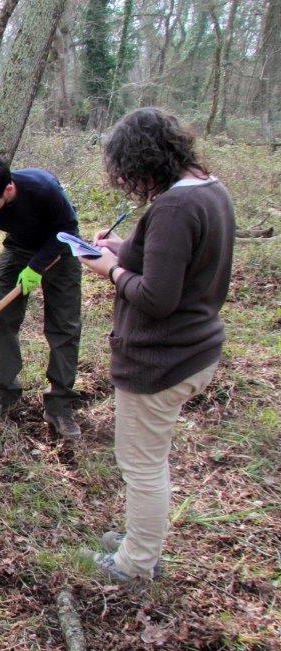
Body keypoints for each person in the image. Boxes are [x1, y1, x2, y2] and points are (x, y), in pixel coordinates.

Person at [79, 107, 235, 582]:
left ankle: (136, 563)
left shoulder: (173, 207)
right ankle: (139, 539)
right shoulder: (210, 191)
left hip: (162, 358)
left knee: (141, 466)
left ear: (143, 160)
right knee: (150, 459)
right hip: (195, 348)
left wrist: (109, 269)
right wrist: (125, 246)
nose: (127, 181)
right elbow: (174, 263)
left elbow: (157, 296)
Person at [0, 152, 83, 440]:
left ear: (9, 189)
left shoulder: (44, 189)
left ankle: (59, 406)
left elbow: (69, 229)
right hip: (18, 248)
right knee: (3, 321)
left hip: (59, 250)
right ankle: (3, 392)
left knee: (64, 327)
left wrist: (37, 267)